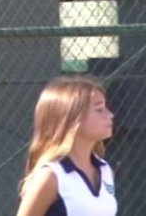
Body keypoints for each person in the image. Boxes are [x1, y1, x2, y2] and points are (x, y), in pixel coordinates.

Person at [16, 75, 117, 216]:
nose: (110, 115)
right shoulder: (51, 176)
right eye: (99, 109)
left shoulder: (105, 170)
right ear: (72, 118)